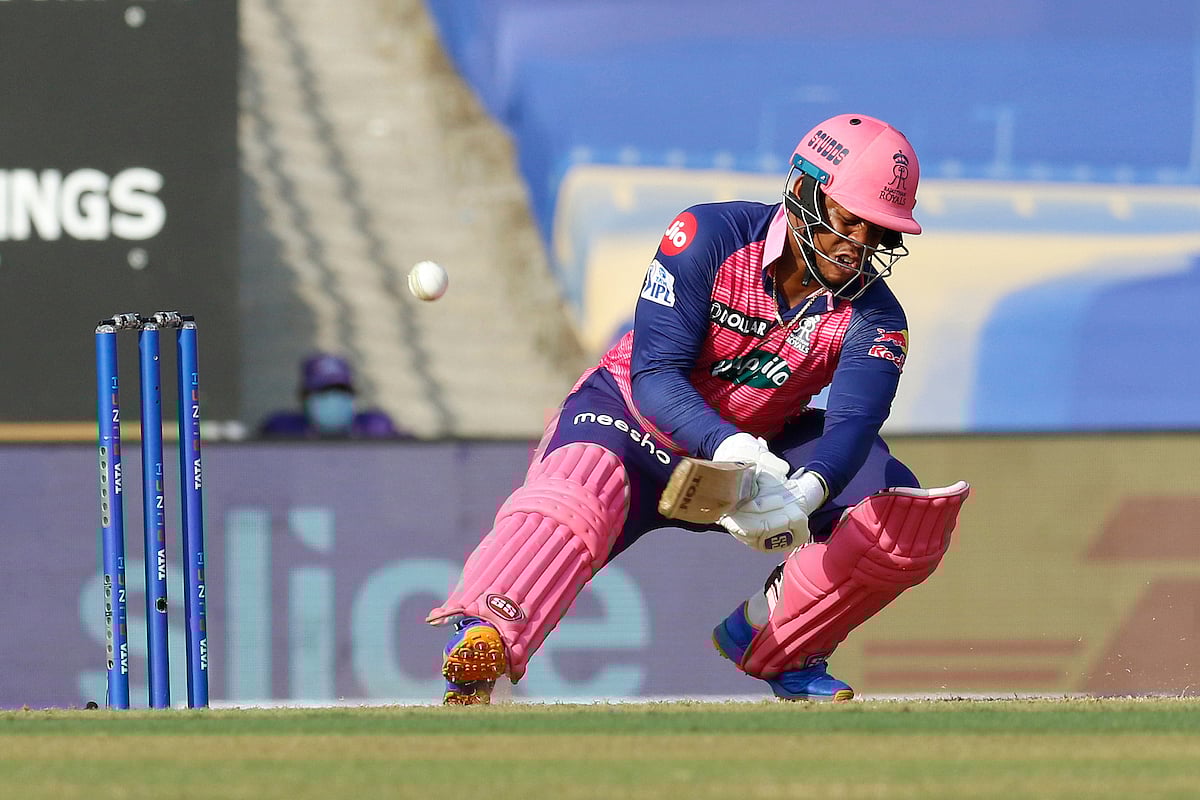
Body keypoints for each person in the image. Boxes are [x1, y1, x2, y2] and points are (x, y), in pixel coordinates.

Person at [427, 114, 969, 704]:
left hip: (764, 438)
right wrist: (733, 450)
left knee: (901, 527)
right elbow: (656, 374)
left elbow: (854, 424)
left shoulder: (879, 318)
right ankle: (485, 633)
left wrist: (805, 492)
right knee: (577, 491)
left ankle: (775, 641)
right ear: (804, 190)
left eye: (880, 234)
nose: (859, 247)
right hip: (632, 420)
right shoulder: (708, 235)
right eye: (848, 221)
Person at [259, 352, 407, 439]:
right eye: (323, 391)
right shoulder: (283, 429)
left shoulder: (375, 426)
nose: (334, 397)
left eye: (341, 390)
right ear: (303, 396)